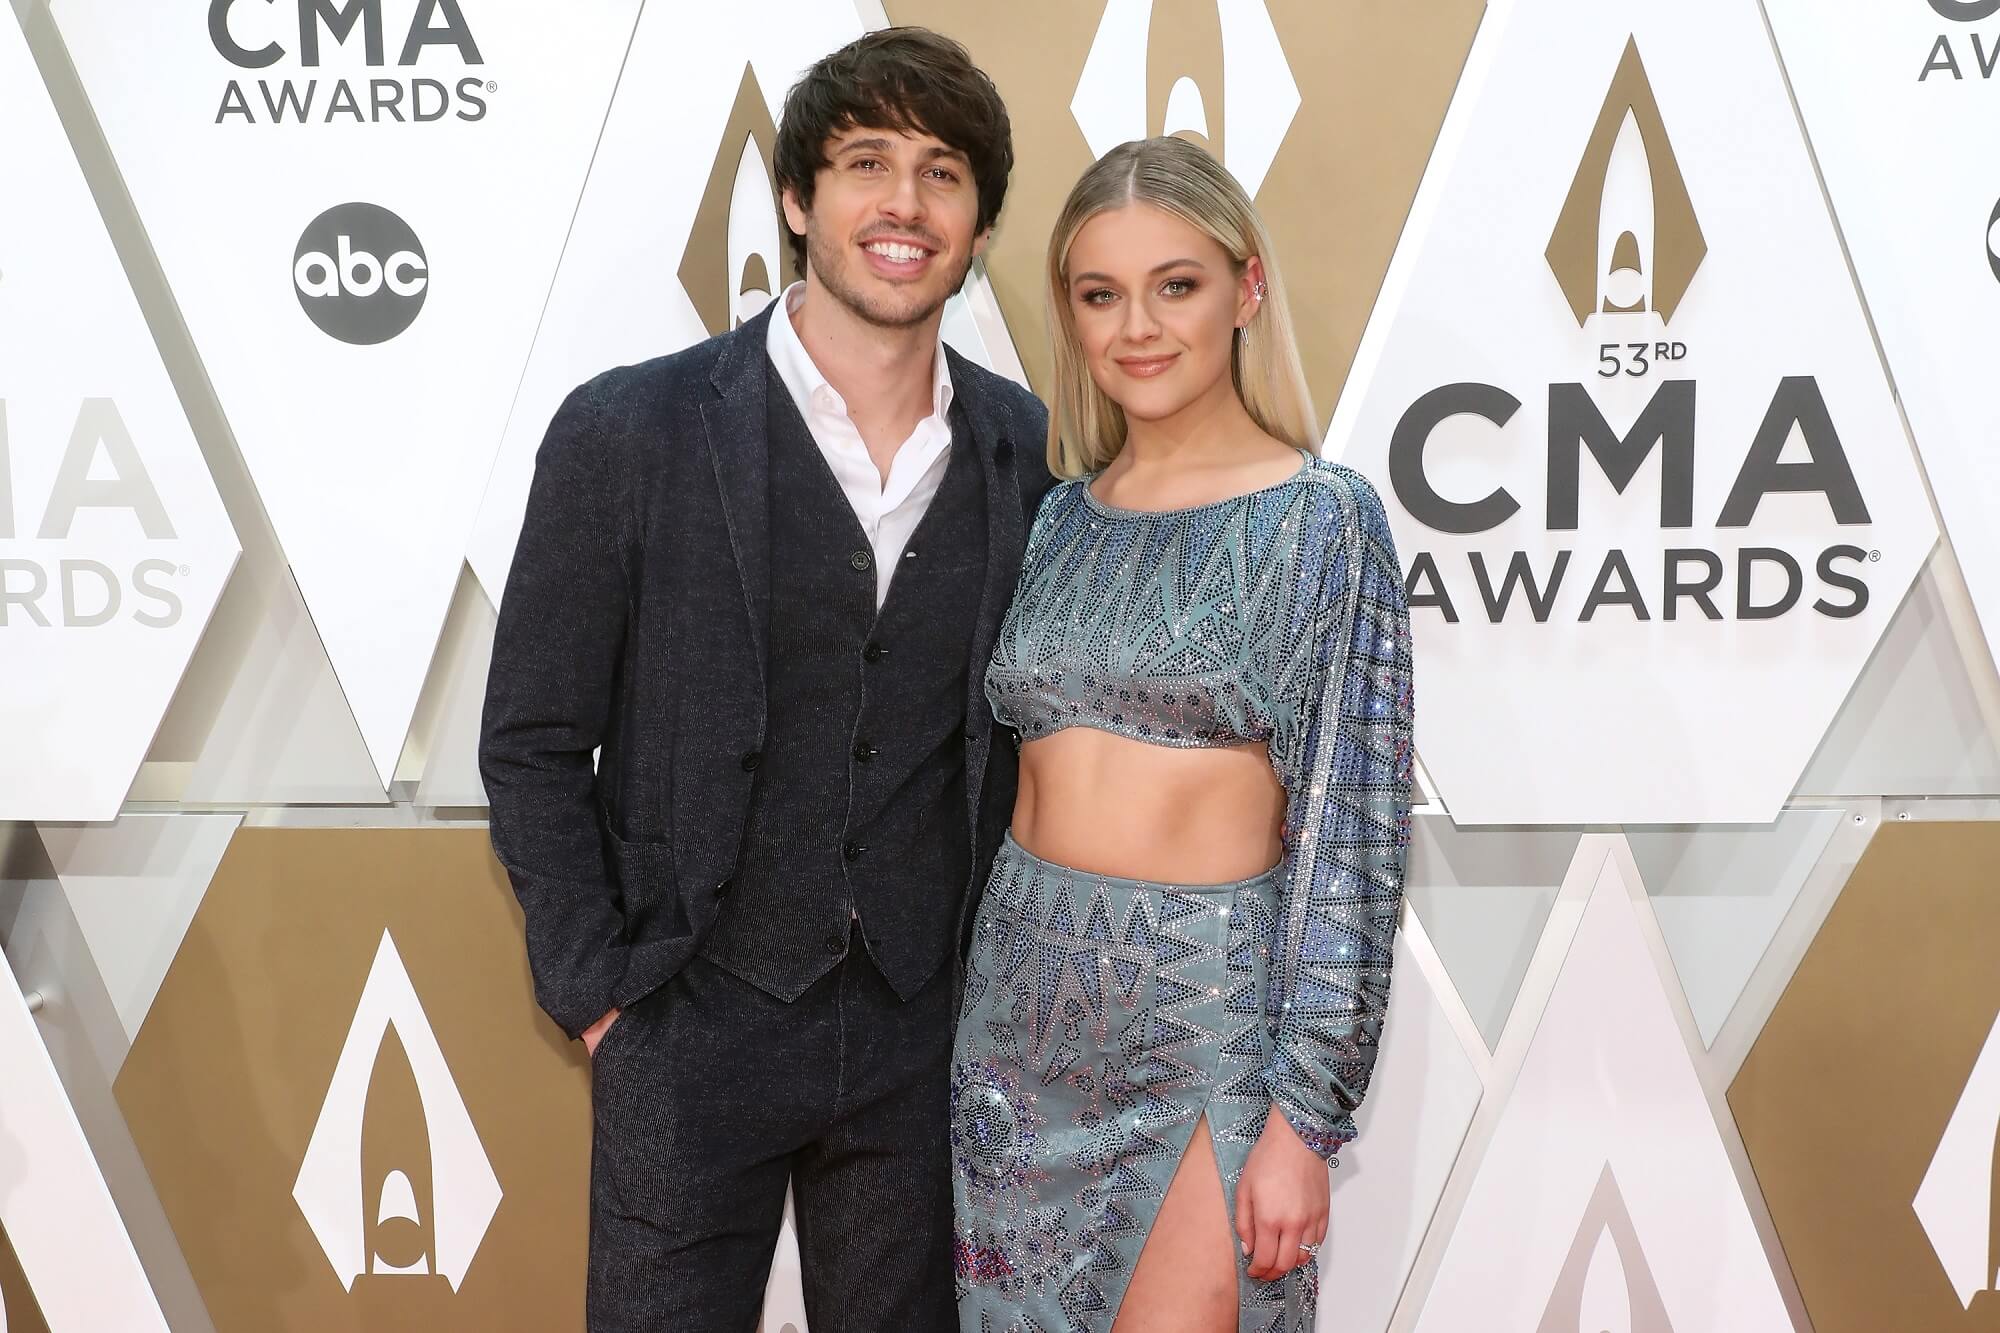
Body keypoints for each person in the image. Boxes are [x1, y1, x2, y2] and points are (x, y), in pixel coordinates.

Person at [479, 28, 1053, 1332]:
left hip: (917, 1037)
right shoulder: (629, 429)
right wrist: (600, 992)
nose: (904, 202)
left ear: (976, 227)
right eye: (866, 163)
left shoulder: (1024, 450)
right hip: (686, 1022)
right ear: (799, 200)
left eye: (943, 172)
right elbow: (530, 736)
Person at [950, 136, 1415, 1333]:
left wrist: (1304, 1116)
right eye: (1100, 294)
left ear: (1244, 289)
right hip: (1014, 1019)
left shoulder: (1323, 522)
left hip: (1201, 1029)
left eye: (1177, 284)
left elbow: (1350, 843)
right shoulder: (1057, 519)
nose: (1136, 328)